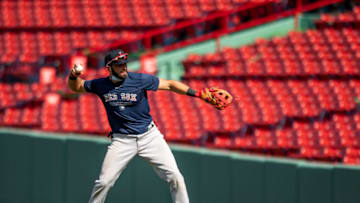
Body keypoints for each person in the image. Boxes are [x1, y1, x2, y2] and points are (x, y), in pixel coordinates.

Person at [67, 49, 220, 203]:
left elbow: (171, 84)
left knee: (175, 176)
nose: (124, 67)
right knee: (104, 182)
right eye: (119, 65)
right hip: (122, 140)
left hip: (149, 136)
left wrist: (198, 94)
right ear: (109, 68)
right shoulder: (100, 84)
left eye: (124, 64)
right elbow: (77, 87)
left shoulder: (139, 79)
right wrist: (73, 76)